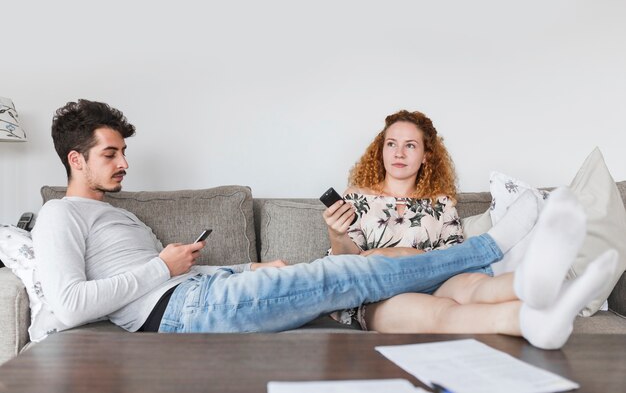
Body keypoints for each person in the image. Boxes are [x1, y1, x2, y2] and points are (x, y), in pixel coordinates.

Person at [34, 99, 523, 337]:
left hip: (196, 295)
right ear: (77, 160)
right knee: (343, 271)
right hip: (184, 310)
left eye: (122, 153)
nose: (123, 164)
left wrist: (248, 269)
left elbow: (159, 278)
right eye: (111, 155)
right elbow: (72, 304)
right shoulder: (60, 214)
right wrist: (163, 266)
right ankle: (493, 248)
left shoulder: (120, 217)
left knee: (340, 276)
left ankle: (500, 275)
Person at [323, 110, 617, 349]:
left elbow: (454, 257)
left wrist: (413, 256)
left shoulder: (441, 203)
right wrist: (338, 236)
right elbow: (348, 264)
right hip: (378, 294)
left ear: (426, 155)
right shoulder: (357, 198)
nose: (399, 152)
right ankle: (529, 320)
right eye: (391, 143)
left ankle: (545, 284)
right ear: (381, 150)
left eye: (410, 145)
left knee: (474, 285)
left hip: (434, 278)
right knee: (442, 311)